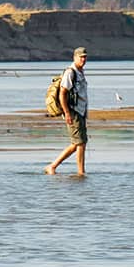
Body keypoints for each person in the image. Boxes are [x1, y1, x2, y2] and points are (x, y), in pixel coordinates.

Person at [45, 47, 89, 175]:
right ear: (74, 58)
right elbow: (62, 94)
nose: (83, 59)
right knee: (80, 143)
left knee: (78, 143)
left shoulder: (80, 72)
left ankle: (52, 166)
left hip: (80, 112)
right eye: (81, 57)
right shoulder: (71, 72)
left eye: (85, 57)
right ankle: (81, 172)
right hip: (73, 112)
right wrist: (67, 113)